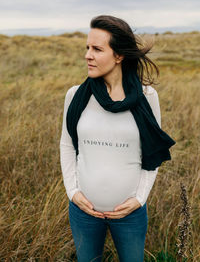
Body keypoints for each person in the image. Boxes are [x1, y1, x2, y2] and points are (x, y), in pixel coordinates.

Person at [60, 15, 176, 262]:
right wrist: (73, 191)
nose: (87, 55)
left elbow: (152, 154)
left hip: (130, 215)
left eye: (97, 49)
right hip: (83, 212)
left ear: (119, 55)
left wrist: (139, 198)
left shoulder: (147, 96)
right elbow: (67, 145)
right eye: (87, 48)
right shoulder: (75, 96)